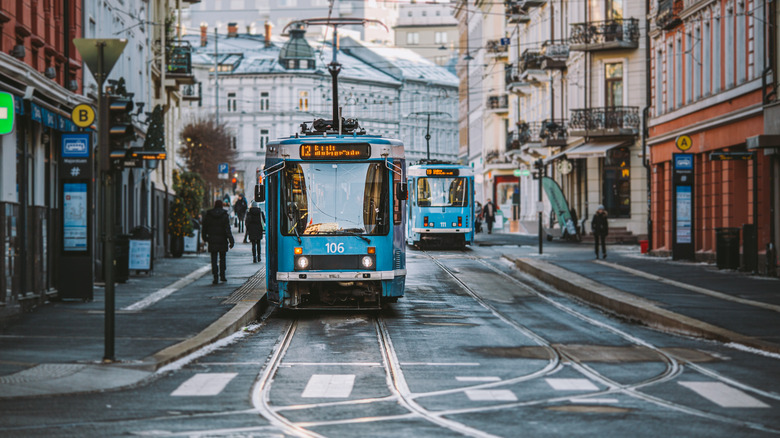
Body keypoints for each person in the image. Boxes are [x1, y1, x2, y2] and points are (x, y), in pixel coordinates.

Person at [202, 199, 235, 284]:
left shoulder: (209, 215)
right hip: (222, 240)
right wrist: (231, 240)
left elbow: (204, 227)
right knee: (222, 258)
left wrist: (205, 238)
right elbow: (228, 229)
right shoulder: (224, 215)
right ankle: (223, 275)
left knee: (214, 259)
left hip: (212, 240)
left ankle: (215, 276)